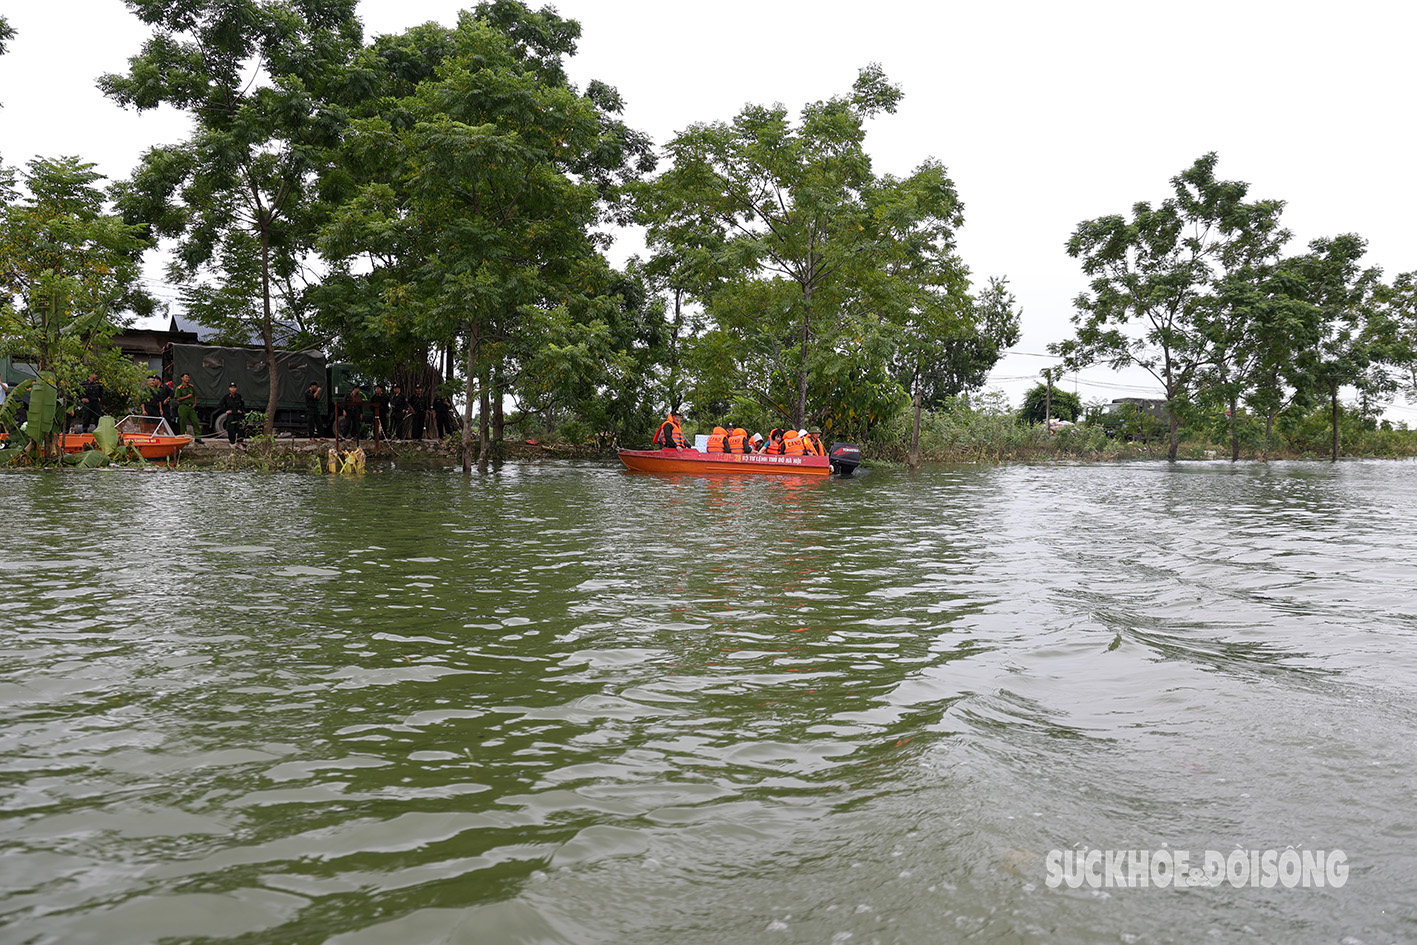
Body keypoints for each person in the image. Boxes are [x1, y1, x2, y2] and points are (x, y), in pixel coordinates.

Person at [174, 373, 202, 442]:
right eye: (186, 377)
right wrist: (187, 397)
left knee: (195, 421)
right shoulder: (179, 388)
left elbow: (195, 395)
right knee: (183, 422)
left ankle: (198, 437)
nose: (187, 379)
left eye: (188, 377)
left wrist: (194, 403)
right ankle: (184, 437)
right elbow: (178, 399)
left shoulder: (191, 387)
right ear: (182, 378)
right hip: (183, 406)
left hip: (191, 407)